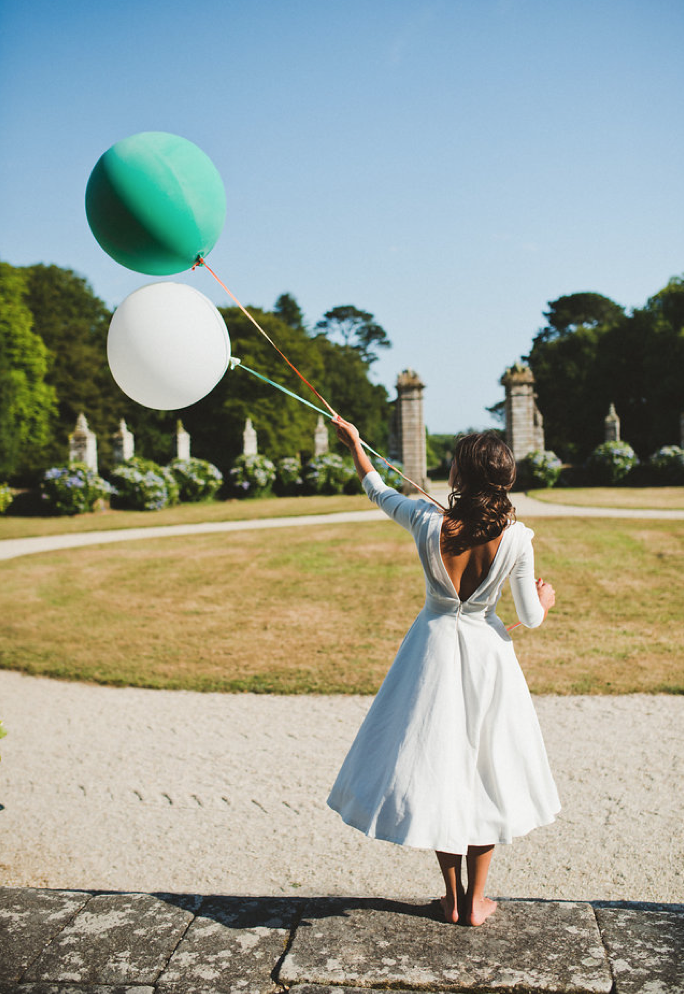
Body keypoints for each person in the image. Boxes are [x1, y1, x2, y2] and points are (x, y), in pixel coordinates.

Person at [327, 416, 559, 927]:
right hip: (486, 660)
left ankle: (451, 897)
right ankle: (476, 901)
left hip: (428, 657)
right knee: (485, 769)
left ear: (458, 477)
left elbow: (378, 491)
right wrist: (543, 598)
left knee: (440, 770)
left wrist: (357, 446)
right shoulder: (517, 539)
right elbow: (532, 616)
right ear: (505, 479)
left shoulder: (427, 521)